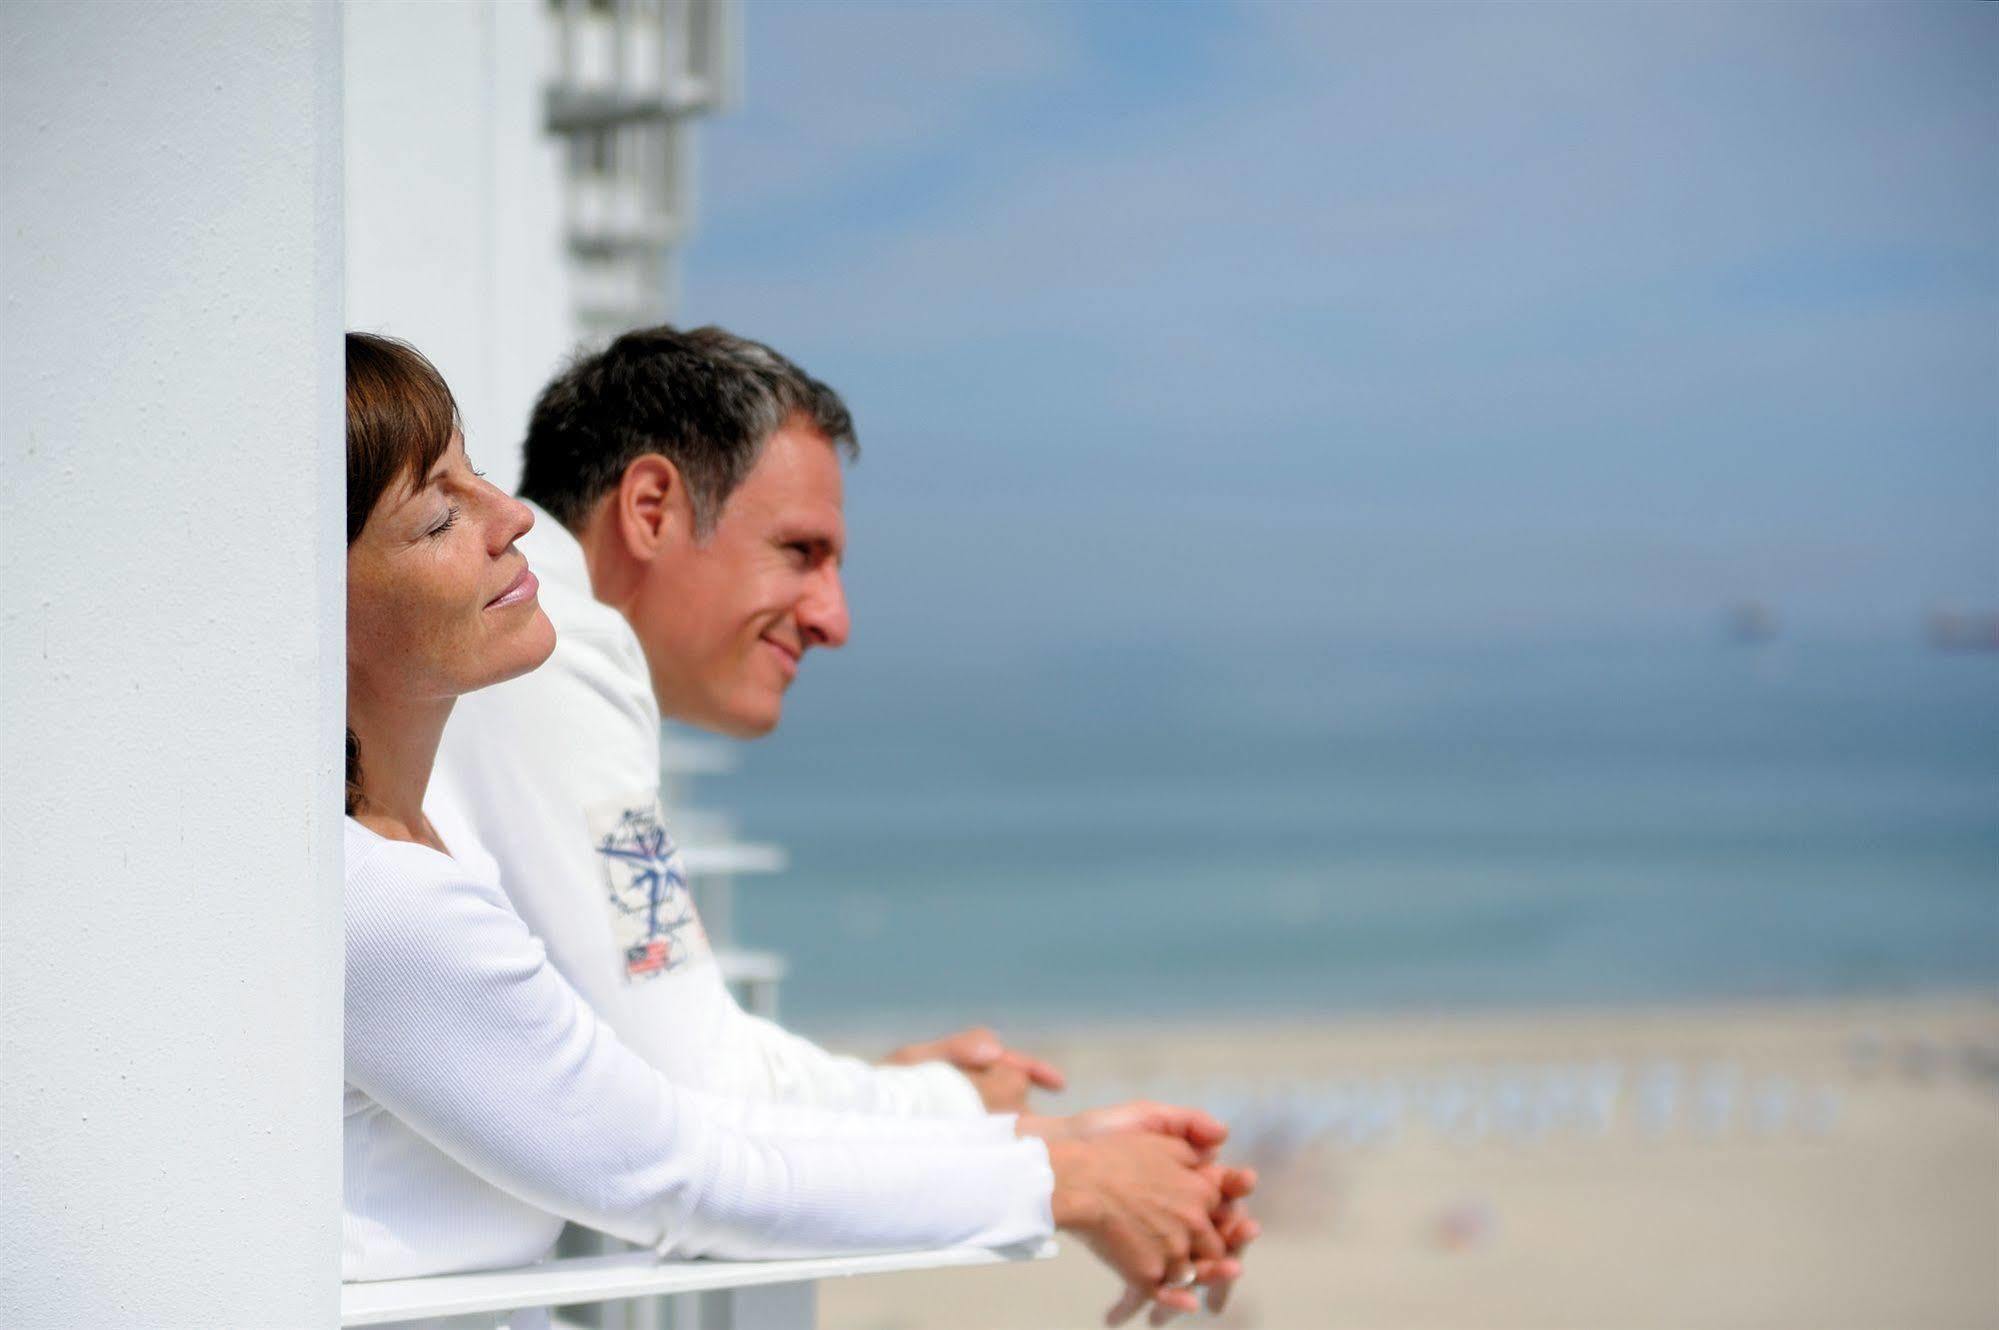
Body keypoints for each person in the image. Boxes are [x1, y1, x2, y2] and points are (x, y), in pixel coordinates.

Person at [342, 332, 1249, 1322]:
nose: (834, 617)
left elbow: (640, 1101)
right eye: (800, 553)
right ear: (649, 509)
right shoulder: (557, 648)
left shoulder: (435, 807)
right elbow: (679, 1122)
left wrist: (1017, 1135)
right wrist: (1034, 1153)